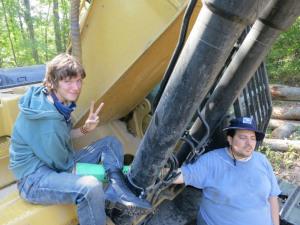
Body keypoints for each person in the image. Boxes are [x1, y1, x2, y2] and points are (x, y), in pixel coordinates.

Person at [9, 53, 151, 225]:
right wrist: (98, 173)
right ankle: (111, 194)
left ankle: (117, 190)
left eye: (78, 81)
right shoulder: (49, 122)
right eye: (67, 81)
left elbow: (64, 135)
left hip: (51, 160)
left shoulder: (51, 100)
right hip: (33, 179)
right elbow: (63, 165)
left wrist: (85, 129)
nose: (75, 87)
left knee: (110, 143)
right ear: (53, 82)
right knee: (90, 187)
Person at [174, 116, 281, 225]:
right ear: (230, 139)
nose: (249, 143)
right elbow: (182, 175)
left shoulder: (262, 160)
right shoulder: (212, 161)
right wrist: (158, 170)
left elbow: (272, 196)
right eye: (243, 138)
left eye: (252, 138)